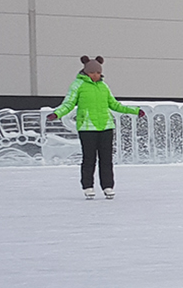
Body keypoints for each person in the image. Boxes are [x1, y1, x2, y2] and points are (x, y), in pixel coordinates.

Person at [47, 55, 144, 199]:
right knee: (89, 158)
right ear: (86, 72)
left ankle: (108, 186)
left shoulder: (103, 86)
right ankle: (88, 186)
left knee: (106, 159)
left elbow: (114, 104)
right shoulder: (77, 85)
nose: (95, 75)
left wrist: (135, 110)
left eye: (98, 73)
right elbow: (68, 104)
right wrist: (57, 114)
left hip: (106, 126)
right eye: (92, 72)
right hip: (87, 128)